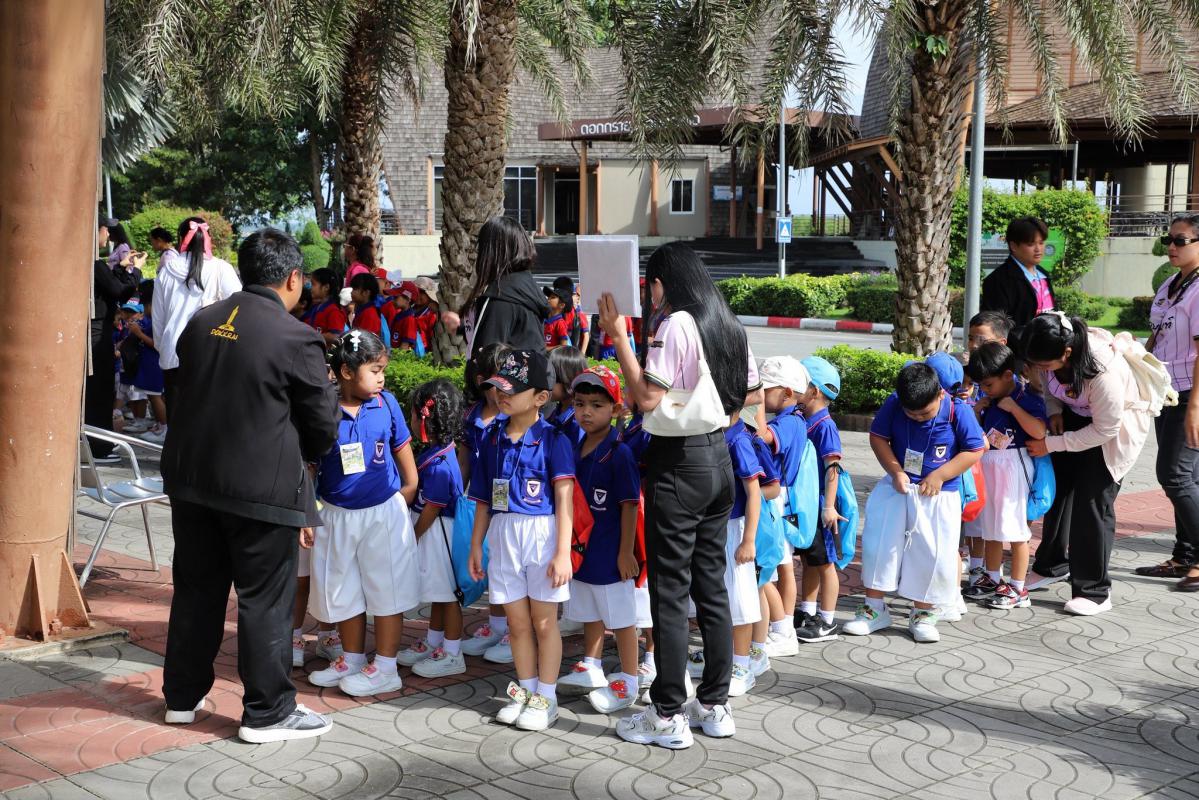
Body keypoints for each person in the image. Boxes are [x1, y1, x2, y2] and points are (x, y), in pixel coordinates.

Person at [160, 228, 338, 744]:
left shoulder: (202, 321)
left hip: (192, 481)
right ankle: (268, 712)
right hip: (261, 488)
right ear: (293, 278)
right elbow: (322, 427)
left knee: (196, 591)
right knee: (264, 599)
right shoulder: (295, 336)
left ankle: (182, 698)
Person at [599, 242, 750, 750]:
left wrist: (619, 337)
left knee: (669, 591)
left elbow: (647, 397)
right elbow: (745, 395)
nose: (650, 295)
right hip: (719, 458)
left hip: (678, 463)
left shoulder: (676, 323)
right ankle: (714, 704)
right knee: (712, 586)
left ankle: (666, 713)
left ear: (664, 282)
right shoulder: (726, 322)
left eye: (651, 285)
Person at [467, 349, 575, 732]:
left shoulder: (554, 440)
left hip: (542, 534)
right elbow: (483, 499)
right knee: (516, 623)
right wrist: (476, 544)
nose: (502, 396)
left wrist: (563, 552)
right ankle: (527, 691)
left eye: (512, 390)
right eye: (499, 388)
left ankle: (547, 697)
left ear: (541, 397)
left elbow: (564, 499)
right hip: (504, 534)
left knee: (544, 623)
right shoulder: (492, 437)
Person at [1022, 312, 1153, 613]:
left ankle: (1094, 591)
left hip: (1112, 433)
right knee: (1058, 492)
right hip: (1074, 420)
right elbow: (1049, 385)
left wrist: (1052, 444)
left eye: (1045, 364)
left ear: (1067, 353)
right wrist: (1054, 411)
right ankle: (1051, 565)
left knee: (1092, 504)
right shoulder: (1050, 356)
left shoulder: (1103, 370)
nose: (1040, 370)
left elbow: (1106, 429)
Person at [846, 363, 985, 643]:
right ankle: (874, 608)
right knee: (879, 544)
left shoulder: (959, 410)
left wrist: (940, 475)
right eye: (912, 414)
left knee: (932, 552)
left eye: (925, 413)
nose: (919, 418)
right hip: (899, 487)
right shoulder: (894, 403)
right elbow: (878, 437)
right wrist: (896, 471)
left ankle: (923, 612)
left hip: (939, 494)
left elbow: (974, 449)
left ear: (940, 394)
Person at [557, 366, 644, 714]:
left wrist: (625, 552)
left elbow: (629, 505)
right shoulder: (575, 446)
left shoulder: (619, 453)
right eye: (580, 404)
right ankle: (591, 665)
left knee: (621, 620)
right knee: (589, 610)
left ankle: (629, 679)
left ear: (616, 409)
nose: (586, 412)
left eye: (596, 405)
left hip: (610, 554)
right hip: (583, 552)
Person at [1139, 215, 1199, 591]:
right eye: (1168, 240)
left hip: (1191, 394)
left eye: (1181, 240)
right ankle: (1185, 556)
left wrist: (1195, 408)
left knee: (1174, 476)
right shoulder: (1170, 284)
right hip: (1167, 392)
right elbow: (1157, 336)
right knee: (1190, 478)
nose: (1172, 247)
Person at [963, 343, 1048, 609]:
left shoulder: (1027, 398)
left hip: (1014, 468)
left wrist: (1014, 409)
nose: (985, 390)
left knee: (1016, 530)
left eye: (988, 384)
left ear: (1008, 375)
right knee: (991, 529)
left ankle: (1018, 588)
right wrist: (977, 411)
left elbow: (1040, 431)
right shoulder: (989, 401)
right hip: (990, 466)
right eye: (981, 385)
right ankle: (992, 578)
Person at [397, 379, 470, 678]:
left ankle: (452, 654)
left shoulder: (439, 465)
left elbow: (433, 507)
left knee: (448, 596)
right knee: (439, 593)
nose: (411, 421)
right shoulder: (439, 452)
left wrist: (413, 536)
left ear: (425, 419)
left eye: (413, 415)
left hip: (437, 534)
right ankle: (435, 642)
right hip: (435, 533)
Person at [457, 343, 514, 663]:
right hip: (481, 502)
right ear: (482, 381)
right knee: (490, 564)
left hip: (510, 505)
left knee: (508, 566)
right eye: (498, 382)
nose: (504, 390)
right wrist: (458, 491)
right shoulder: (471, 416)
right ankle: (496, 625)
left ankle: (514, 630)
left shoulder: (514, 418)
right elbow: (464, 460)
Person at [752, 356, 809, 657]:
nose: (761, 394)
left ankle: (782, 629)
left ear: (787, 392)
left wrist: (757, 403)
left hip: (776, 501)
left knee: (774, 569)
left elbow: (762, 437)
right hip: (781, 500)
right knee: (777, 568)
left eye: (766, 390)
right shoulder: (794, 420)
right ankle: (781, 628)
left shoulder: (788, 423)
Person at [153, 216, 241, 409]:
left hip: (172, 354)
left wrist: (163, 347)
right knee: (207, 419)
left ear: (181, 238)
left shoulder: (166, 271)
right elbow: (239, 309)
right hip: (211, 356)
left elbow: (158, 319)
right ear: (208, 238)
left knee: (177, 419)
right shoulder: (221, 268)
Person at [794, 356, 845, 642]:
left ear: (813, 391)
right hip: (807, 501)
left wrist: (828, 507)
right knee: (810, 559)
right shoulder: (804, 419)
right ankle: (808, 610)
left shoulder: (824, 425)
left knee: (826, 563)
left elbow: (833, 467)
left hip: (822, 503)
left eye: (799, 384)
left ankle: (827, 620)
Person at [962, 310, 1015, 579]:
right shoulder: (966, 376)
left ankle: (993, 570)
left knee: (995, 521)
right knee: (974, 518)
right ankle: (976, 567)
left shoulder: (1011, 385)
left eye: (981, 340)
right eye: (971, 338)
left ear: (1002, 343)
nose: (974, 345)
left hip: (1003, 465)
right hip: (975, 461)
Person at [457, 216, 548, 357]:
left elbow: (486, 356)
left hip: (503, 371)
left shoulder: (500, 296)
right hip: (532, 368)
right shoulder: (525, 286)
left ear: (491, 251)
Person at [86, 229, 140, 461]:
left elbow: (107, 287)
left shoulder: (89, 263)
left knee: (97, 392)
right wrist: (135, 272)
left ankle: (99, 442)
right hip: (98, 336)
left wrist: (120, 268)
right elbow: (118, 291)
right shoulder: (94, 263)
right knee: (100, 393)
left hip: (94, 333)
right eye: (104, 229)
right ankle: (98, 448)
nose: (107, 234)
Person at [980, 216, 1057, 332]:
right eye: (1031, 244)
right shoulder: (998, 280)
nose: (1038, 249)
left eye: (1041, 243)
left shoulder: (1044, 275)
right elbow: (995, 328)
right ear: (1013, 246)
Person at [125, 280, 168, 444]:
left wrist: (139, 333)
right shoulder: (154, 312)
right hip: (148, 361)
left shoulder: (157, 314)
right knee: (153, 395)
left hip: (154, 362)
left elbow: (158, 345)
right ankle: (160, 425)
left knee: (155, 396)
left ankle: (164, 428)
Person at [547, 346, 587, 447]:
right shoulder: (559, 410)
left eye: (552, 378)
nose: (546, 383)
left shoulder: (579, 422)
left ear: (568, 380)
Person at [303, 268, 348, 347]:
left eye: (313, 284)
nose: (310, 287)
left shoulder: (334, 311)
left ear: (326, 287)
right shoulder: (316, 306)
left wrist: (313, 336)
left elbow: (336, 336)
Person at [349, 272, 387, 339]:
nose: (351, 292)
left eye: (355, 289)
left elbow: (366, 341)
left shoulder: (369, 314)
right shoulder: (364, 310)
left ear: (366, 293)